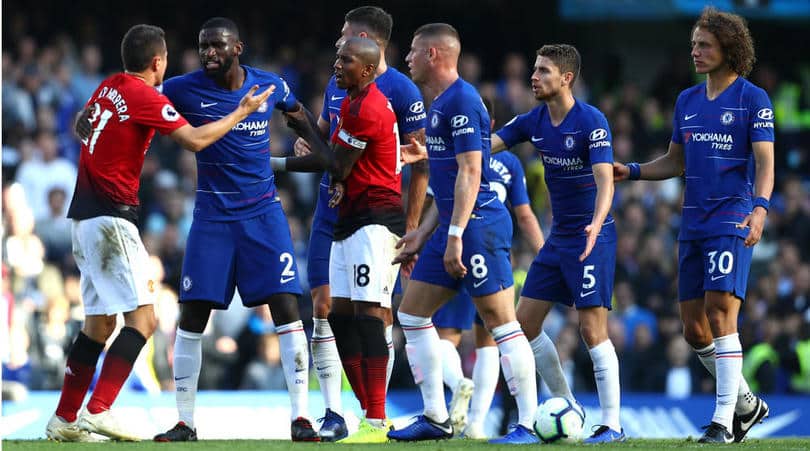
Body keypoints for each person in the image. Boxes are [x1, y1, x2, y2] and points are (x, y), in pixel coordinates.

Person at [46, 24, 273, 442]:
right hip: (113, 218)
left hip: (84, 220)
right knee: (145, 320)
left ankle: (64, 418)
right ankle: (100, 409)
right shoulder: (142, 95)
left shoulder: (109, 86)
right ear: (157, 62)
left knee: (98, 326)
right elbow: (195, 140)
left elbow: (86, 121)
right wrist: (241, 112)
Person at [152, 17, 325, 442]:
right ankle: (185, 421)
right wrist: (92, 112)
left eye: (217, 45)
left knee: (286, 306)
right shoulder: (181, 88)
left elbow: (299, 113)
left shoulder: (270, 85)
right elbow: (137, 99)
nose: (209, 53)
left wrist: (322, 151)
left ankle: (301, 417)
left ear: (238, 48)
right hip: (211, 218)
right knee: (192, 314)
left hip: (263, 214)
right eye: (202, 46)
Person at [614, 7, 774, 443]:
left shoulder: (751, 98)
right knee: (693, 328)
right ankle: (747, 404)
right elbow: (675, 161)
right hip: (692, 222)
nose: (696, 52)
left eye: (704, 45)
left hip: (732, 215)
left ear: (729, 48)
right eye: (693, 45)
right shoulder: (686, 100)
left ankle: (723, 421)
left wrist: (760, 209)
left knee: (722, 313)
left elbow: (765, 162)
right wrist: (630, 171)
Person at [272, 6, 427, 442]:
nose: (335, 63)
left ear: (367, 63)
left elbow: (333, 164)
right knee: (336, 314)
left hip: (374, 220)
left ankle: (376, 419)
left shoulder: (377, 103)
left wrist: (278, 153)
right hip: (342, 216)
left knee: (370, 315)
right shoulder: (351, 97)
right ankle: (360, 413)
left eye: (343, 59)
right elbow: (329, 150)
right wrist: (311, 129)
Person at [386, 23, 539, 445]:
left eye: (414, 52)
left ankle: (526, 422)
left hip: (479, 229)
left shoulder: (464, 101)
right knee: (412, 315)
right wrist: (423, 232)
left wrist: (453, 235)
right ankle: (436, 416)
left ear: (434, 54)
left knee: (501, 324)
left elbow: (472, 173)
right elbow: (448, 178)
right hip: (451, 228)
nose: (407, 58)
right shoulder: (437, 106)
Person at [491, 44, 623, 444]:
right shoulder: (534, 120)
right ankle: (566, 404)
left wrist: (596, 225)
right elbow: (486, 145)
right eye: (534, 69)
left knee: (591, 329)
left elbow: (605, 180)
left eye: (543, 71)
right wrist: (436, 150)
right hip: (559, 237)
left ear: (566, 78)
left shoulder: (591, 121)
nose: (534, 77)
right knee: (524, 324)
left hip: (591, 236)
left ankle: (612, 425)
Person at [432, 98, 545, 439]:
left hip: (454, 248)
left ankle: (457, 384)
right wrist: (543, 255)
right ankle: (476, 424)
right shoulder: (508, 162)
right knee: (491, 340)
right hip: (493, 256)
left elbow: (433, 204)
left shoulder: (452, 156)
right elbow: (524, 215)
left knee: (441, 337)